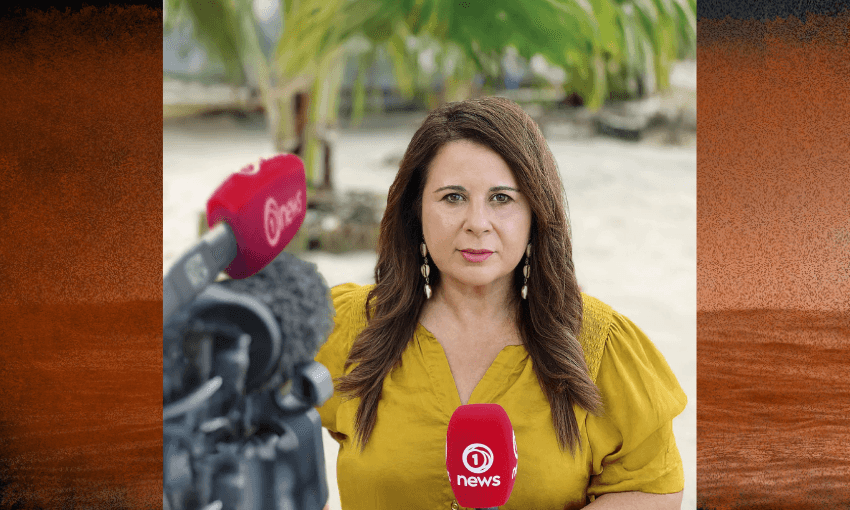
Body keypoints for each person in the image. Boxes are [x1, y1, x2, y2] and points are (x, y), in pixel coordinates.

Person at [314, 96, 686, 509]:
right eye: (453, 197)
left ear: (535, 213)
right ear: (415, 209)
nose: (477, 222)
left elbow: (652, 486)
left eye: (501, 198)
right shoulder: (350, 327)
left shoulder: (599, 344)